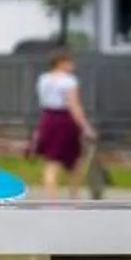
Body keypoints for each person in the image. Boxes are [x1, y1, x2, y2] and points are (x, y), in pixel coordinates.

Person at [31, 48, 93, 198]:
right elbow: (74, 105)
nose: (72, 64)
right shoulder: (69, 80)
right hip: (65, 120)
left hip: (48, 118)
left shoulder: (43, 79)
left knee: (51, 162)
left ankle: (51, 200)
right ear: (61, 63)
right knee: (74, 162)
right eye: (70, 61)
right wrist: (86, 126)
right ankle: (73, 198)